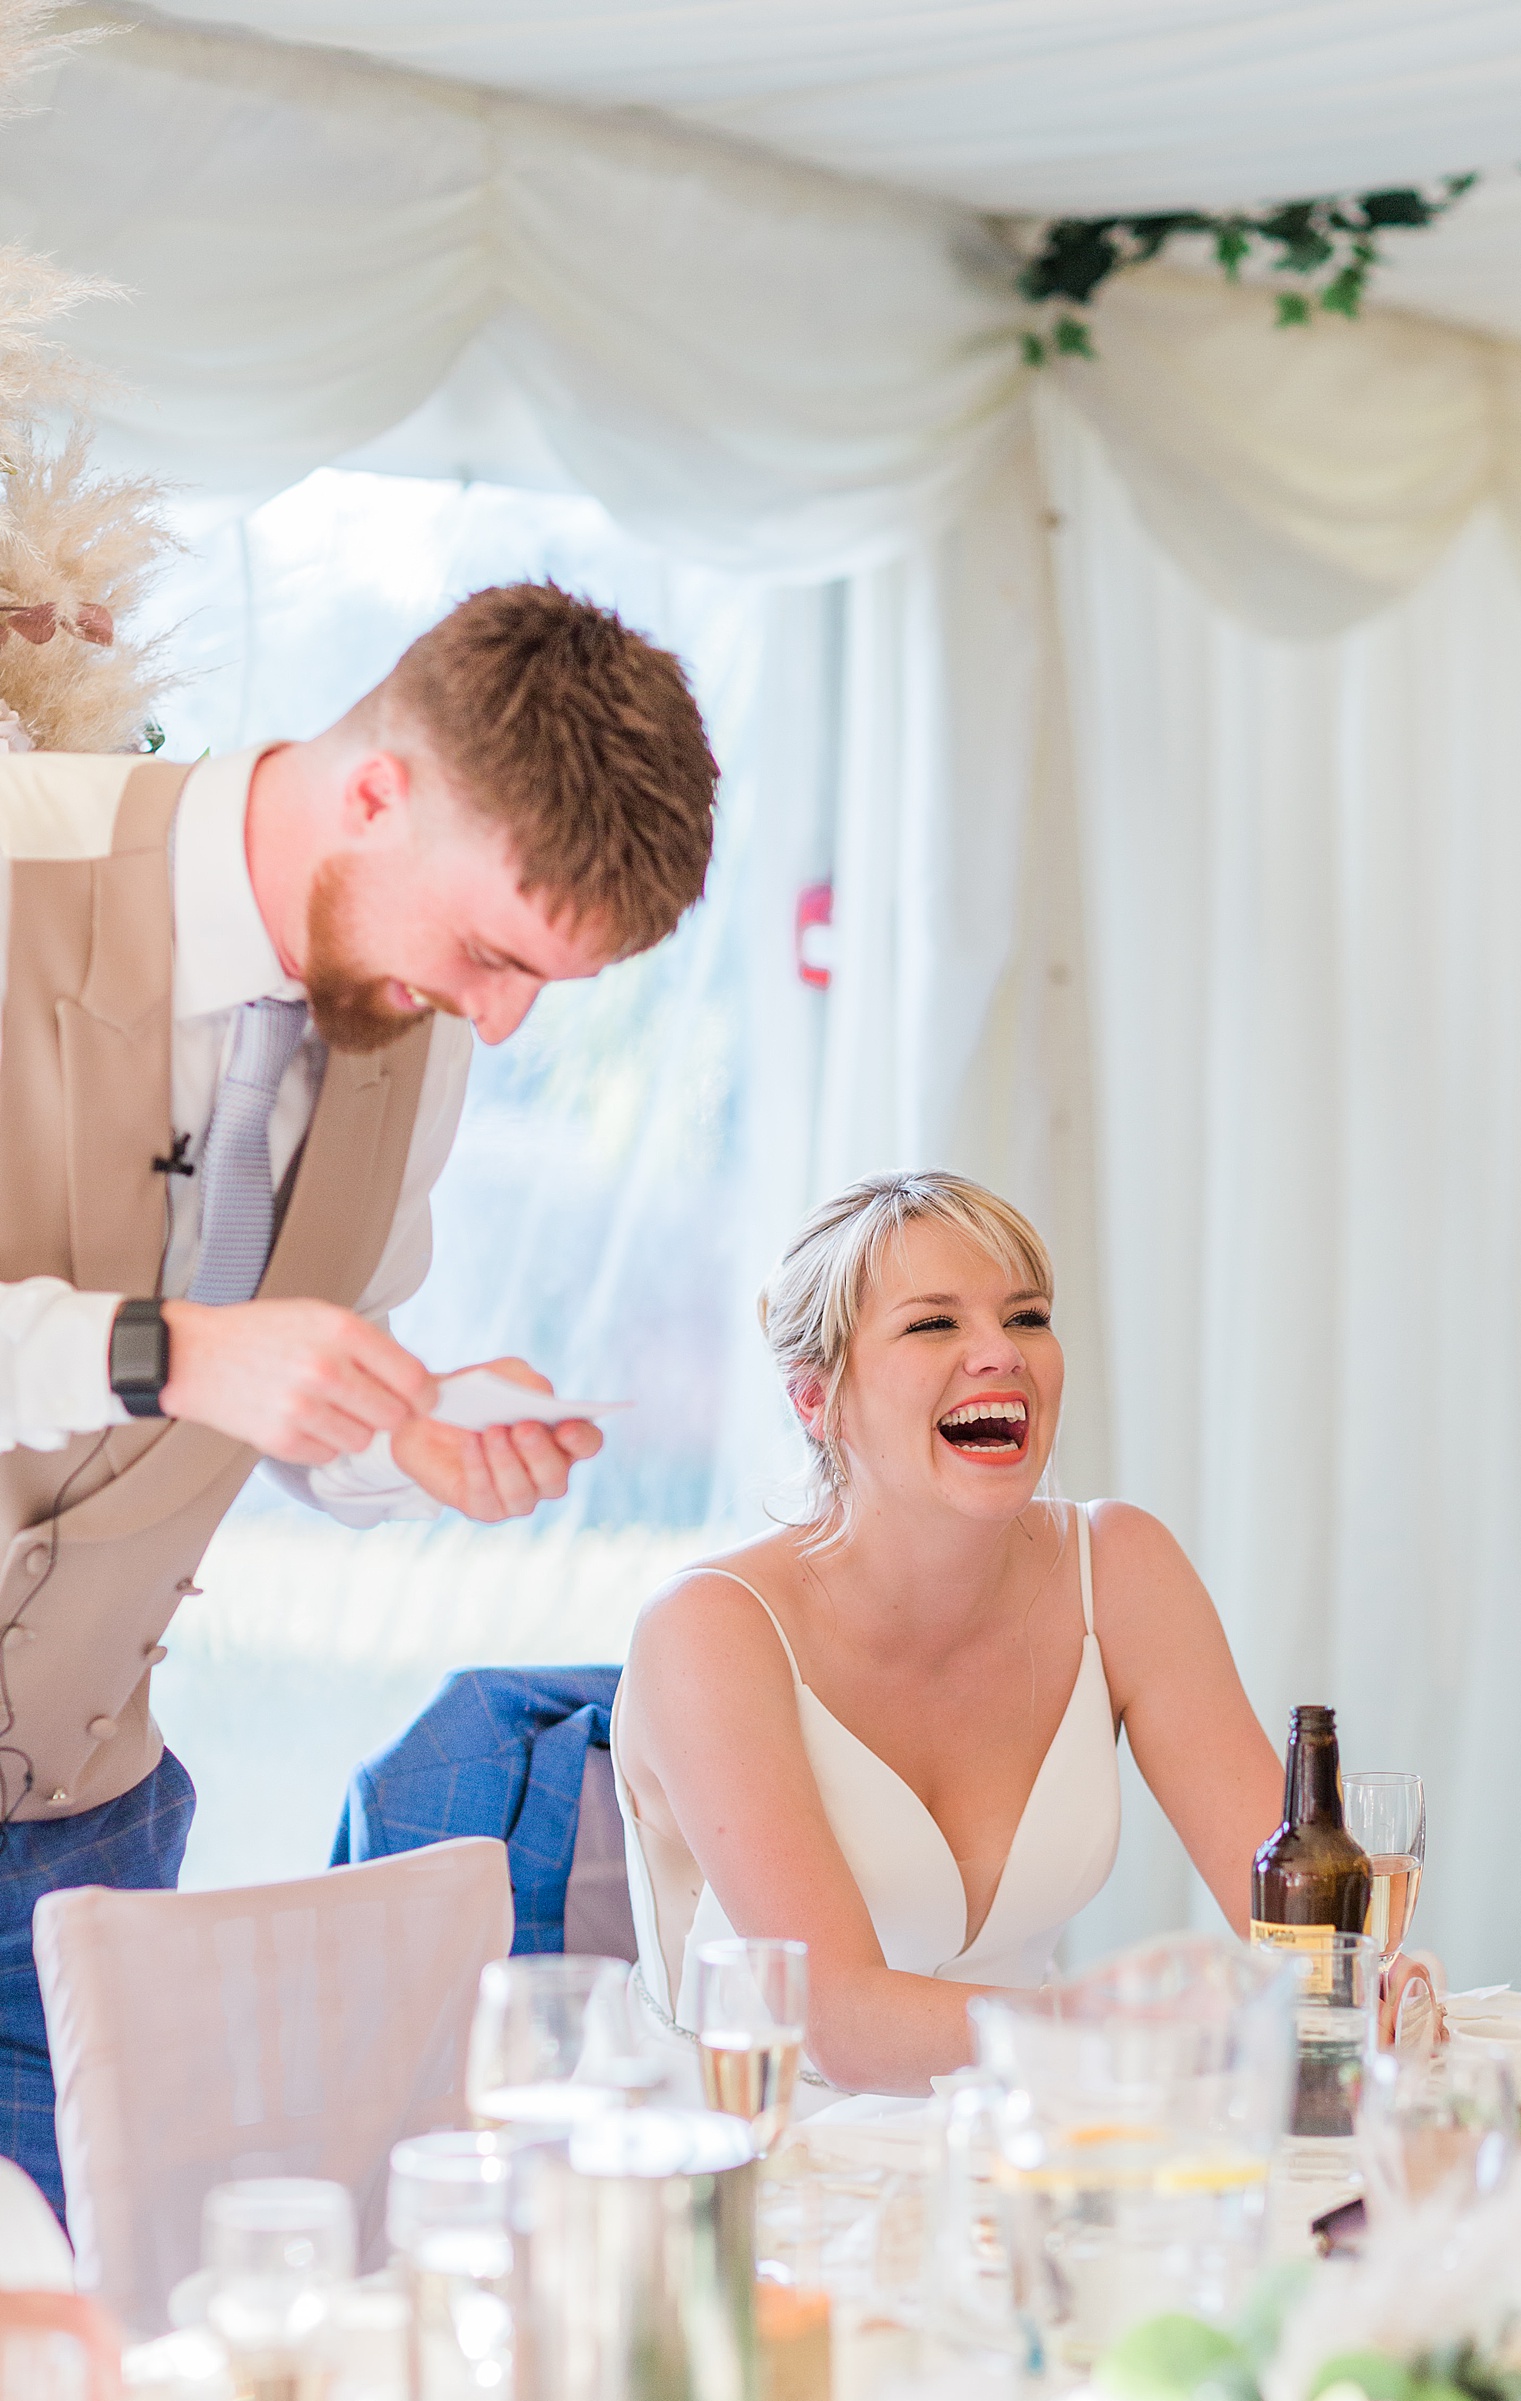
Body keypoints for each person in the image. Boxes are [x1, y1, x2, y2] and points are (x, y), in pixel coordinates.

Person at [0, 581, 718, 2211]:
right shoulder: (14, 863)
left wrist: (408, 1430)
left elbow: (290, 1396)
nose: (501, 1017)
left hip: (75, 1834)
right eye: (491, 952)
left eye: (547, 983)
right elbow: (198, 1361)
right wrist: (170, 1344)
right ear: (374, 792)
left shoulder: (422, 1028)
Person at [613, 1170, 1287, 2094]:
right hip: (748, 2166)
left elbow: (1306, 1931)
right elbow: (840, 2026)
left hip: (1033, 2137)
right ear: (816, 1400)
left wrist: (1365, 1981)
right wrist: (1133, 2023)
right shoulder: (708, 1631)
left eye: (1027, 1318)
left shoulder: (1122, 1568)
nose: (1000, 1355)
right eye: (935, 1324)